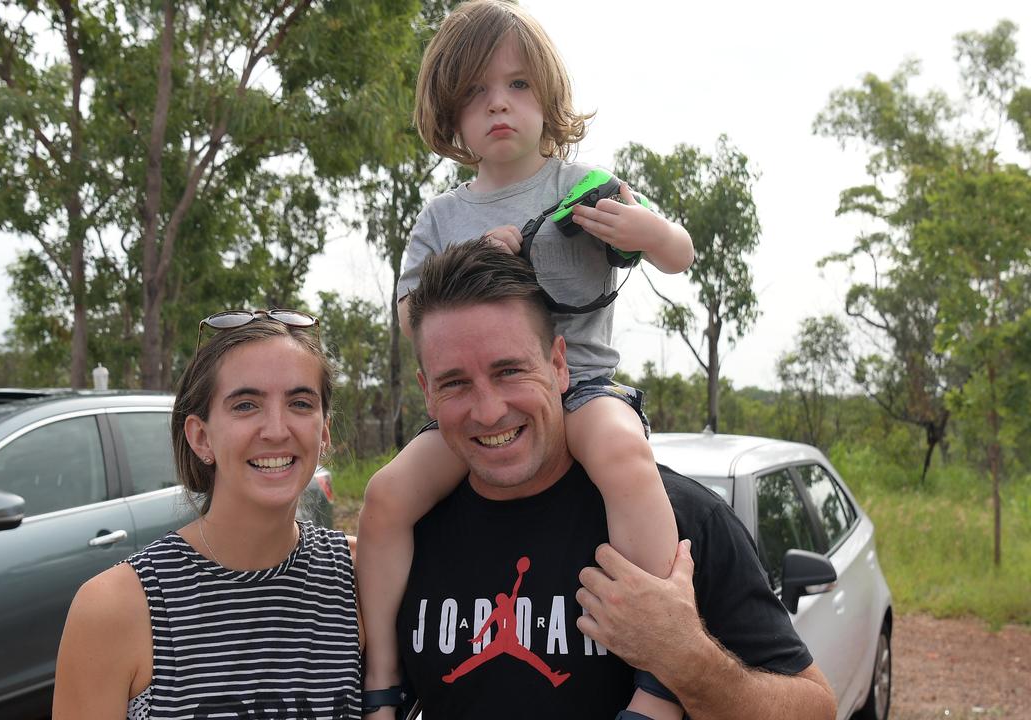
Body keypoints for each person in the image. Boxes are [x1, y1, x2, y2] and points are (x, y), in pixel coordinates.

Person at [357, 2, 695, 718]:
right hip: (482, 402)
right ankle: (383, 679)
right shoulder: (442, 218)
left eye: (516, 86)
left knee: (625, 461)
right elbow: (411, 315)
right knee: (386, 496)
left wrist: (644, 227)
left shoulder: (582, 184)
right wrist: (473, 260)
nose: (498, 106)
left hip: (586, 387)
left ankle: (661, 674)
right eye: (476, 94)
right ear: (452, 116)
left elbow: (678, 255)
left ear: (548, 100)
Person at [388, 239, 837, 719]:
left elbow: (816, 708)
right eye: (454, 383)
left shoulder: (681, 522)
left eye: (510, 371)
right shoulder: (408, 538)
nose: (489, 410)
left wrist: (685, 656)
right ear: (427, 393)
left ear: (559, 365)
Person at [52, 310, 362, 720]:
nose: (276, 429)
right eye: (246, 405)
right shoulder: (117, 608)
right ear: (201, 437)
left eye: (300, 403)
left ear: (323, 432)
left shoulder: (360, 575)